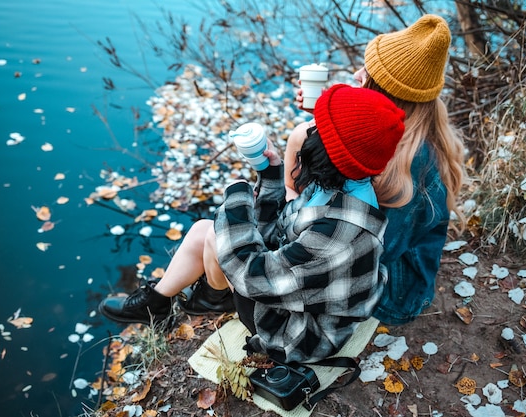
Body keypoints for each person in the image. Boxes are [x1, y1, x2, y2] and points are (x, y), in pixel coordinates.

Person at [99, 85, 406, 363]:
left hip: (301, 335)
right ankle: (158, 302)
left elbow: (251, 276)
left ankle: (211, 297)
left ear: (334, 152)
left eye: (319, 128)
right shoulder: (337, 183)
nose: (310, 129)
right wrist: (272, 176)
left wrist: (236, 196)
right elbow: (281, 228)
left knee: (214, 238)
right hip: (300, 293)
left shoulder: (343, 228)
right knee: (201, 231)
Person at [286, 14, 466, 325]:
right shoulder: (407, 131)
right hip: (375, 263)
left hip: (391, 295)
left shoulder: (412, 167)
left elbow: (370, 252)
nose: (356, 74)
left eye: (367, 75)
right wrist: (332, 122)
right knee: (304, 134)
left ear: (387, 96)